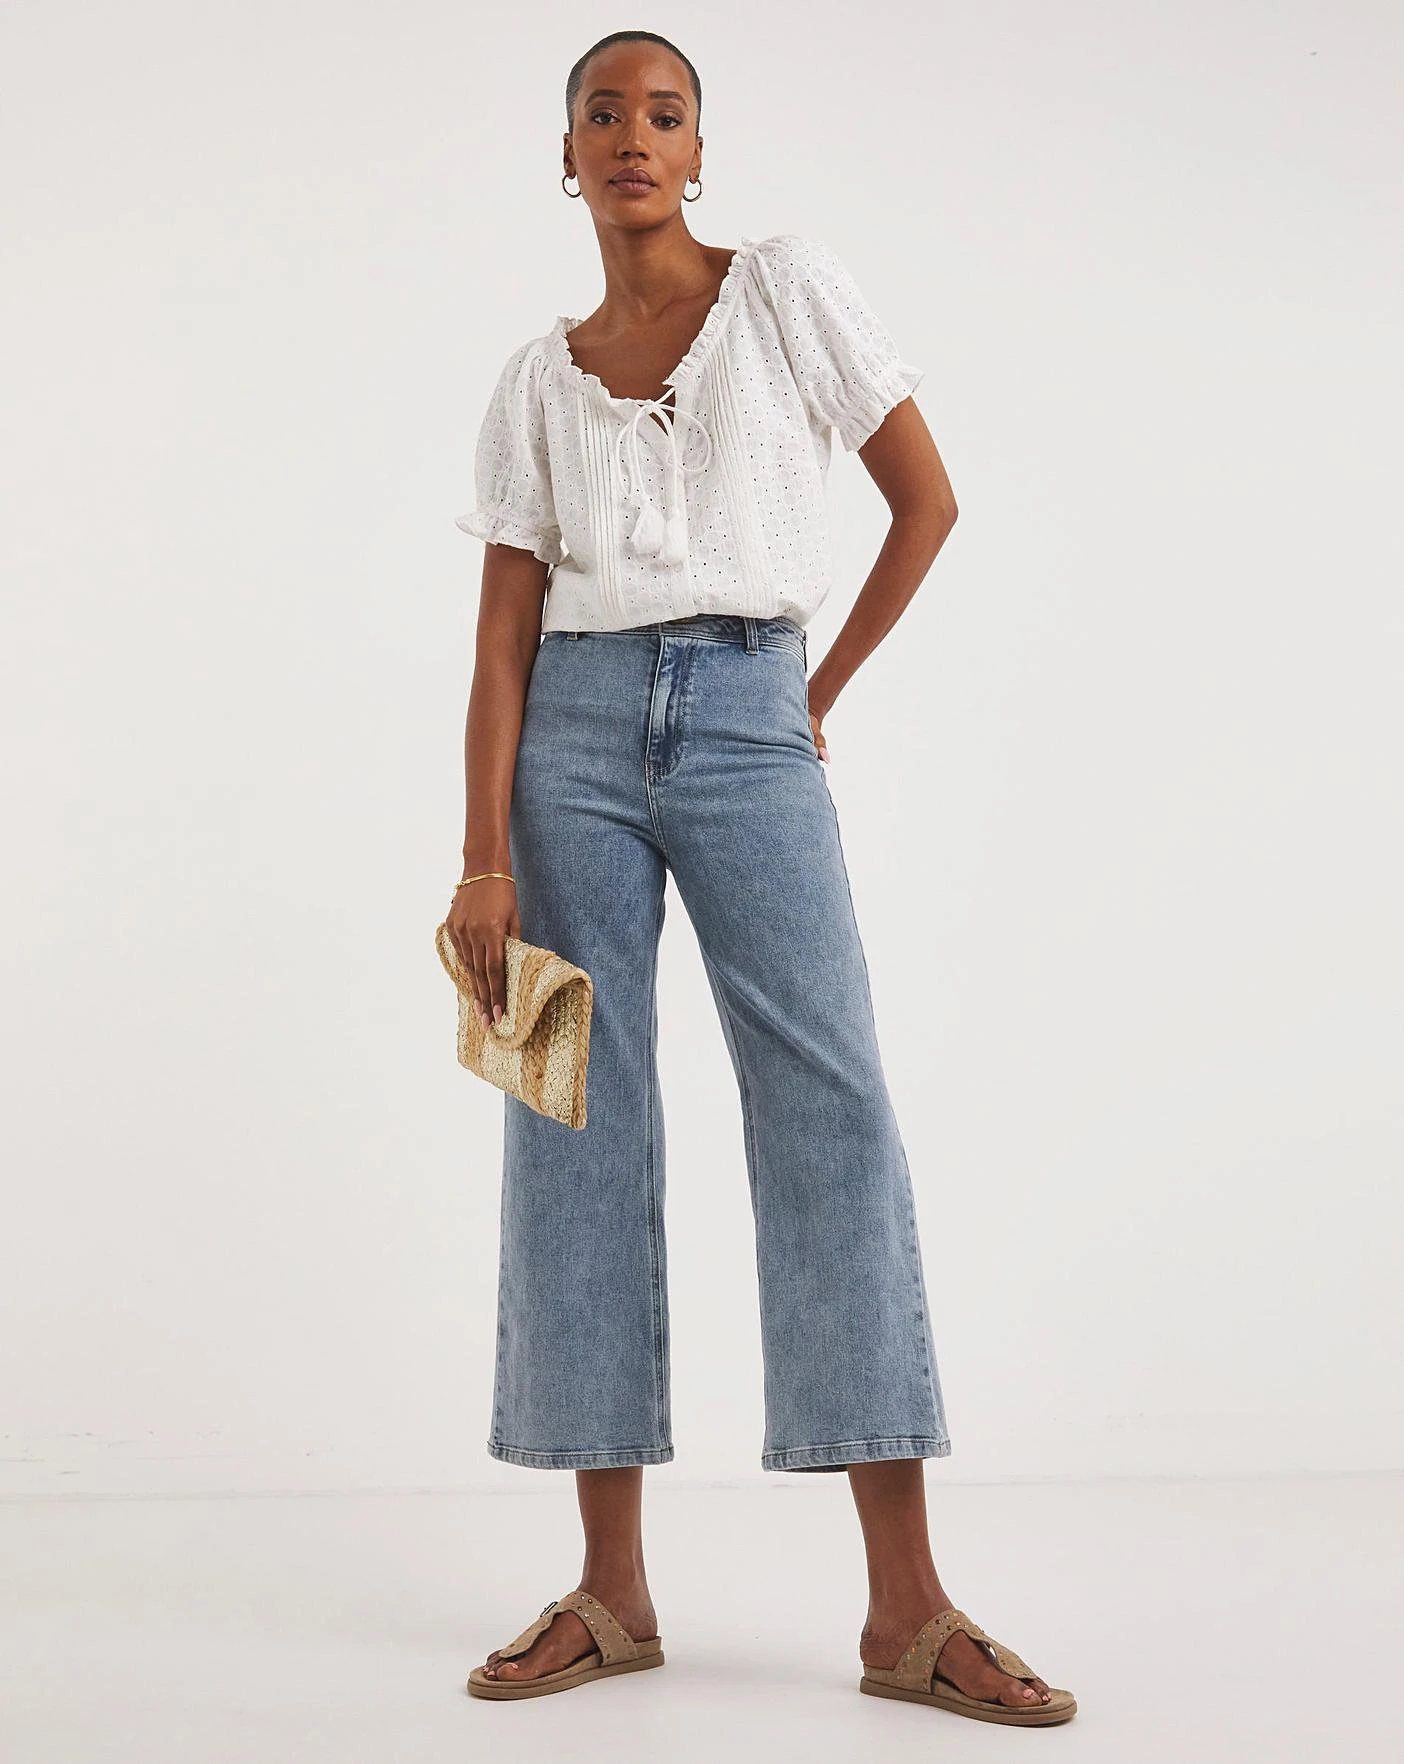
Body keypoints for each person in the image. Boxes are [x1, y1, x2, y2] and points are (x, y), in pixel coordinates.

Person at [448, 28, 1076, 1727]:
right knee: (574, 1123)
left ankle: (907, 1611)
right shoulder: (534, 382)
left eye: (664, 114)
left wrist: (812, 694)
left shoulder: (784, 290)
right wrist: (481, 856)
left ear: (699, 151)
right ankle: (612, 1592)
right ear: (564, 156)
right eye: (602, 114)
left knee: (832, 1110)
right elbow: (500, 641)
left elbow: (925, 502)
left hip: (746, 712)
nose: (632, 137)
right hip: (569, 741)